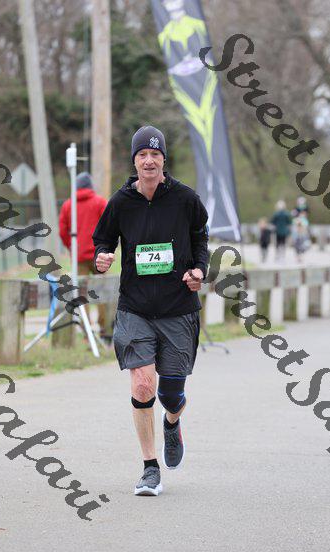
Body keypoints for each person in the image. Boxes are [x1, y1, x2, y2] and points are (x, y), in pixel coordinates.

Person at [93, 125, 209, 497]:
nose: (149, 161)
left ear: (163, 160)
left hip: (177, 308)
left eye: (155, 155)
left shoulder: (185, 199)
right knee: (143, 384)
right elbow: (103, 238)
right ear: (134, 161)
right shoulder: (121, 202)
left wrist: (199, 270)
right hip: (136, 308)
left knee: (171, 395)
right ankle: (149, 467)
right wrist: (102, 255)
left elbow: (200, 238)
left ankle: (172, 422)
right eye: (142, 154)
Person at [59, 172, 107, 338]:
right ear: (90, 186)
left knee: (82, 294)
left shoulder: (68, 205)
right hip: (99, 254)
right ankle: (104, 329)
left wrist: (71, 247)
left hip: (78, 257)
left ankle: (88, 333)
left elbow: (62, 231)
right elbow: (109, 226)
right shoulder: (100, 202)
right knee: (103, 291)